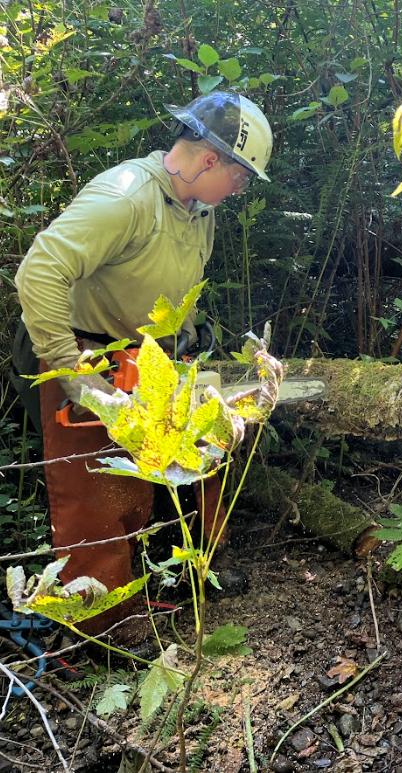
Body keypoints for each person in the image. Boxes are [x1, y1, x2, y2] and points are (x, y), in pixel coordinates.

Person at [11, 92, 273, 655]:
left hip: (148, 357)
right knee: (98, 493)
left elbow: (173, 287)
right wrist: (77, 376)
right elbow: (39, 273)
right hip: (84, 352)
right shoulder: (124, 197)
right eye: (240, 176)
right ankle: (103, 629)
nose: (239, 189)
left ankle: (191, 573)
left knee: (193, 458)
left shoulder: (197, 212)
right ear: (210, 161)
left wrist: (192, 339)